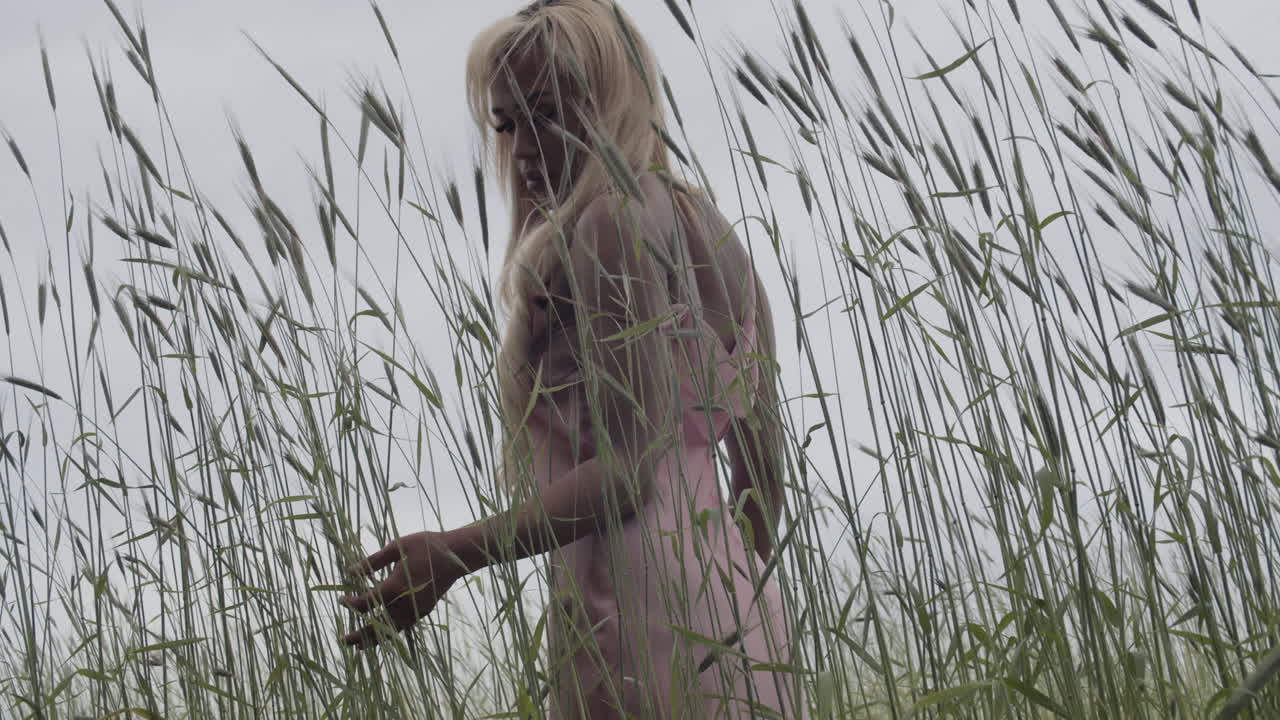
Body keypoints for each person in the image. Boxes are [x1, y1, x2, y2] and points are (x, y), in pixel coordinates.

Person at [338, 1, 805, 717]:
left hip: (634, 605)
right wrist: (727, 594)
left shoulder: (609, 223)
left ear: (608, 100)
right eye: (506, 124)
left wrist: (455, 552)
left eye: (546, 115)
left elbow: (627, 469)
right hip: (741, 618)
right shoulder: (717, 235)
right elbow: (761, 481)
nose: (523, 147)